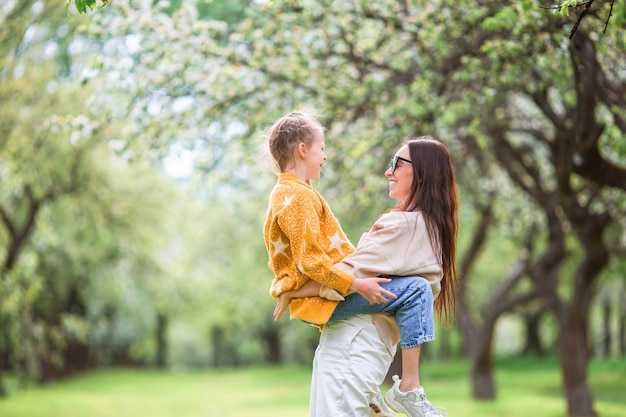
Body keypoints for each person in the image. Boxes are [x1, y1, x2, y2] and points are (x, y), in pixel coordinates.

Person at [263, 110, 459, 417]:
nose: (388, 171)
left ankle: (410, 386)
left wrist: (295, 291)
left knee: (418, 289)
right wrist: (294, 289)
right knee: (417, 289)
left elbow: (345, 268)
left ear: (422, 173)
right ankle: (410, 386)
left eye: (397, 163)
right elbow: (338, 269)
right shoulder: (298, 196)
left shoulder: (407, 225)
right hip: (353, 343)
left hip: (355, 345)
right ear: (303, 150)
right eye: (321, 148)